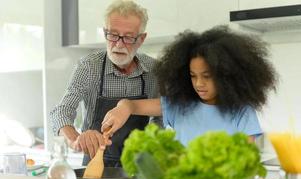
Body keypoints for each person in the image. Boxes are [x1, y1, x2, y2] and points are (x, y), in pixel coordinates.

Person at [101, 25, 278, 145]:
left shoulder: (242, 111)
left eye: (207, 76)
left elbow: (245, 161)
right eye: (193, 76)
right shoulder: (179, 105)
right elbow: (132, 105)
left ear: (227, 76)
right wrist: (123, 107)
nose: (199, 84)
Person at [50, 0, 159, 167]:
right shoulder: (89, 66)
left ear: (141, 39)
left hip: (140, 164)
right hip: (96, 161)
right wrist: (75, 139)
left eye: (128, 37)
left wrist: (152, 144)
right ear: (105, 32)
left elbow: (161, 114)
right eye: (113, 35)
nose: (119, 44)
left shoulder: (153, 69)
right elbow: (62, 111)